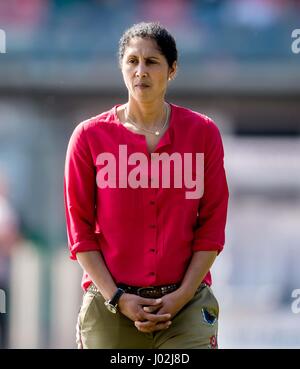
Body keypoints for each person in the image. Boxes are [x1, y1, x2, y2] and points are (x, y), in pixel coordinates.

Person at [64, 22, 229, 349]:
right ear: (121, 67)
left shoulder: (203, 133)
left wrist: (180, 297)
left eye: (152, 62)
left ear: (172, 70)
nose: (141, 71)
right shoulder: (88, 137)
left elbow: (212, 226)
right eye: (132, 61)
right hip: (110, 305)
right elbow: (80, 233)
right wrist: (119, 298)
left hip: (186, 306)